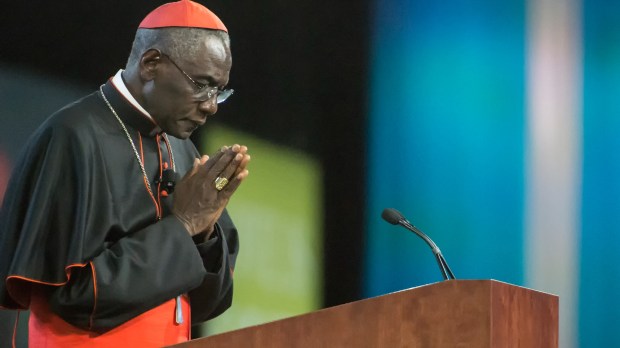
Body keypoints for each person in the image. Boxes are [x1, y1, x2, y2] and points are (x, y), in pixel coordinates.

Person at [0, 1, 250, 346]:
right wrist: (183, 225)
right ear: (151, 64)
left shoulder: (182, 148)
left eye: (219, 90)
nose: (210, 105)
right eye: (202, 84)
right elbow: (75, 297)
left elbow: (208, 302)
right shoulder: (74, 136)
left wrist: (204, 231)